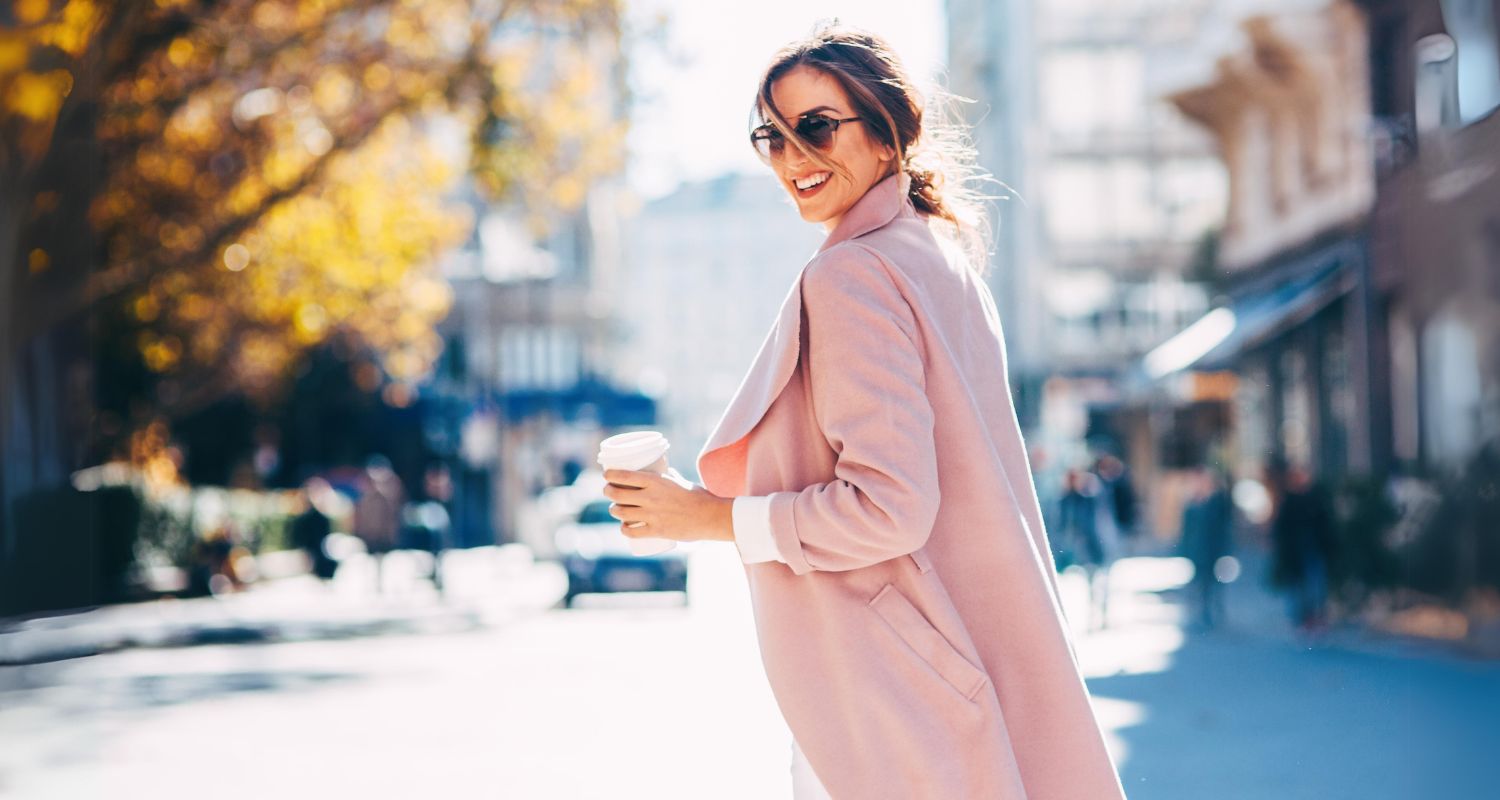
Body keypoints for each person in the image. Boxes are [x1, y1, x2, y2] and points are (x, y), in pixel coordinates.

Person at [598, 22, 1126, 798]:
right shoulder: (937, 256)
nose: (792, 158)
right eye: (770, 138)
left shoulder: (853, 275)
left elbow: (889, 508)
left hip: (897, 703)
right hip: (966, 670)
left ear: (885, 133)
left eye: (816, 126)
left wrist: (707, 517)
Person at [1270, 461, 1336, 634]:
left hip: (1313, 551)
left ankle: (1315, 619)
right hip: (1295, 555)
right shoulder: (1289, 502)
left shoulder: (1316, 499)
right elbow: (1281, 531)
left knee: (1316, 587)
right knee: (1298, 590)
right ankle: (1301, 620)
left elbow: (1326, 526)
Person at [1055, 467, 1116, 631]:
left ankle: (1101, 616)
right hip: (1085, 548)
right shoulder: (1067, 500)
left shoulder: (1089, 499)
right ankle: (1095, 616)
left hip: (1096, 546)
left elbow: (1096, 523)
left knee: (1100, 583)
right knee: (1092, 583)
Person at [1178, 465, 1234, 631]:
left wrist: (1226, 551)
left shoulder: (1217, 502)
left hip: (1214, 550)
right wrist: (1183, 551)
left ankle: (1213, 613)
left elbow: (1224, 527)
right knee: (1198, 583)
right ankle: (1201, 613)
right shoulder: (1191, 504)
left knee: (1213, 583)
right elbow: (1186, 531)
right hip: (1196, 551)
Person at [352, 454, 405, 595]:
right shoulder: (366, 492)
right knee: (372, 561)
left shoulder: (391, 490)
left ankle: (385, 585)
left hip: (384, 534)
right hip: (370, 534)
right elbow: (362, 513)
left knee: (386, 560)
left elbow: (393, 514)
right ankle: (373, 584)